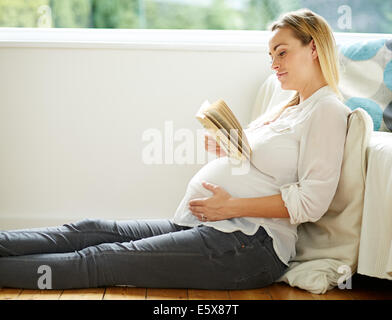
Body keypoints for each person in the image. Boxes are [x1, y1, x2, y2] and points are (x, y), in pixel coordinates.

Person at [0, 9, 351, 290]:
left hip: (250, 248)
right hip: (214, 228)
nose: (274, 63)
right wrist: (230, 149)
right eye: (271, 55)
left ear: (314, 48)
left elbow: (312, 203)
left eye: (282, 52)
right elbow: (270, 170)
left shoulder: (327, 110)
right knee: (92, 228)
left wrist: (231, 206)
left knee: (101, 258)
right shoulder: (289, 106)